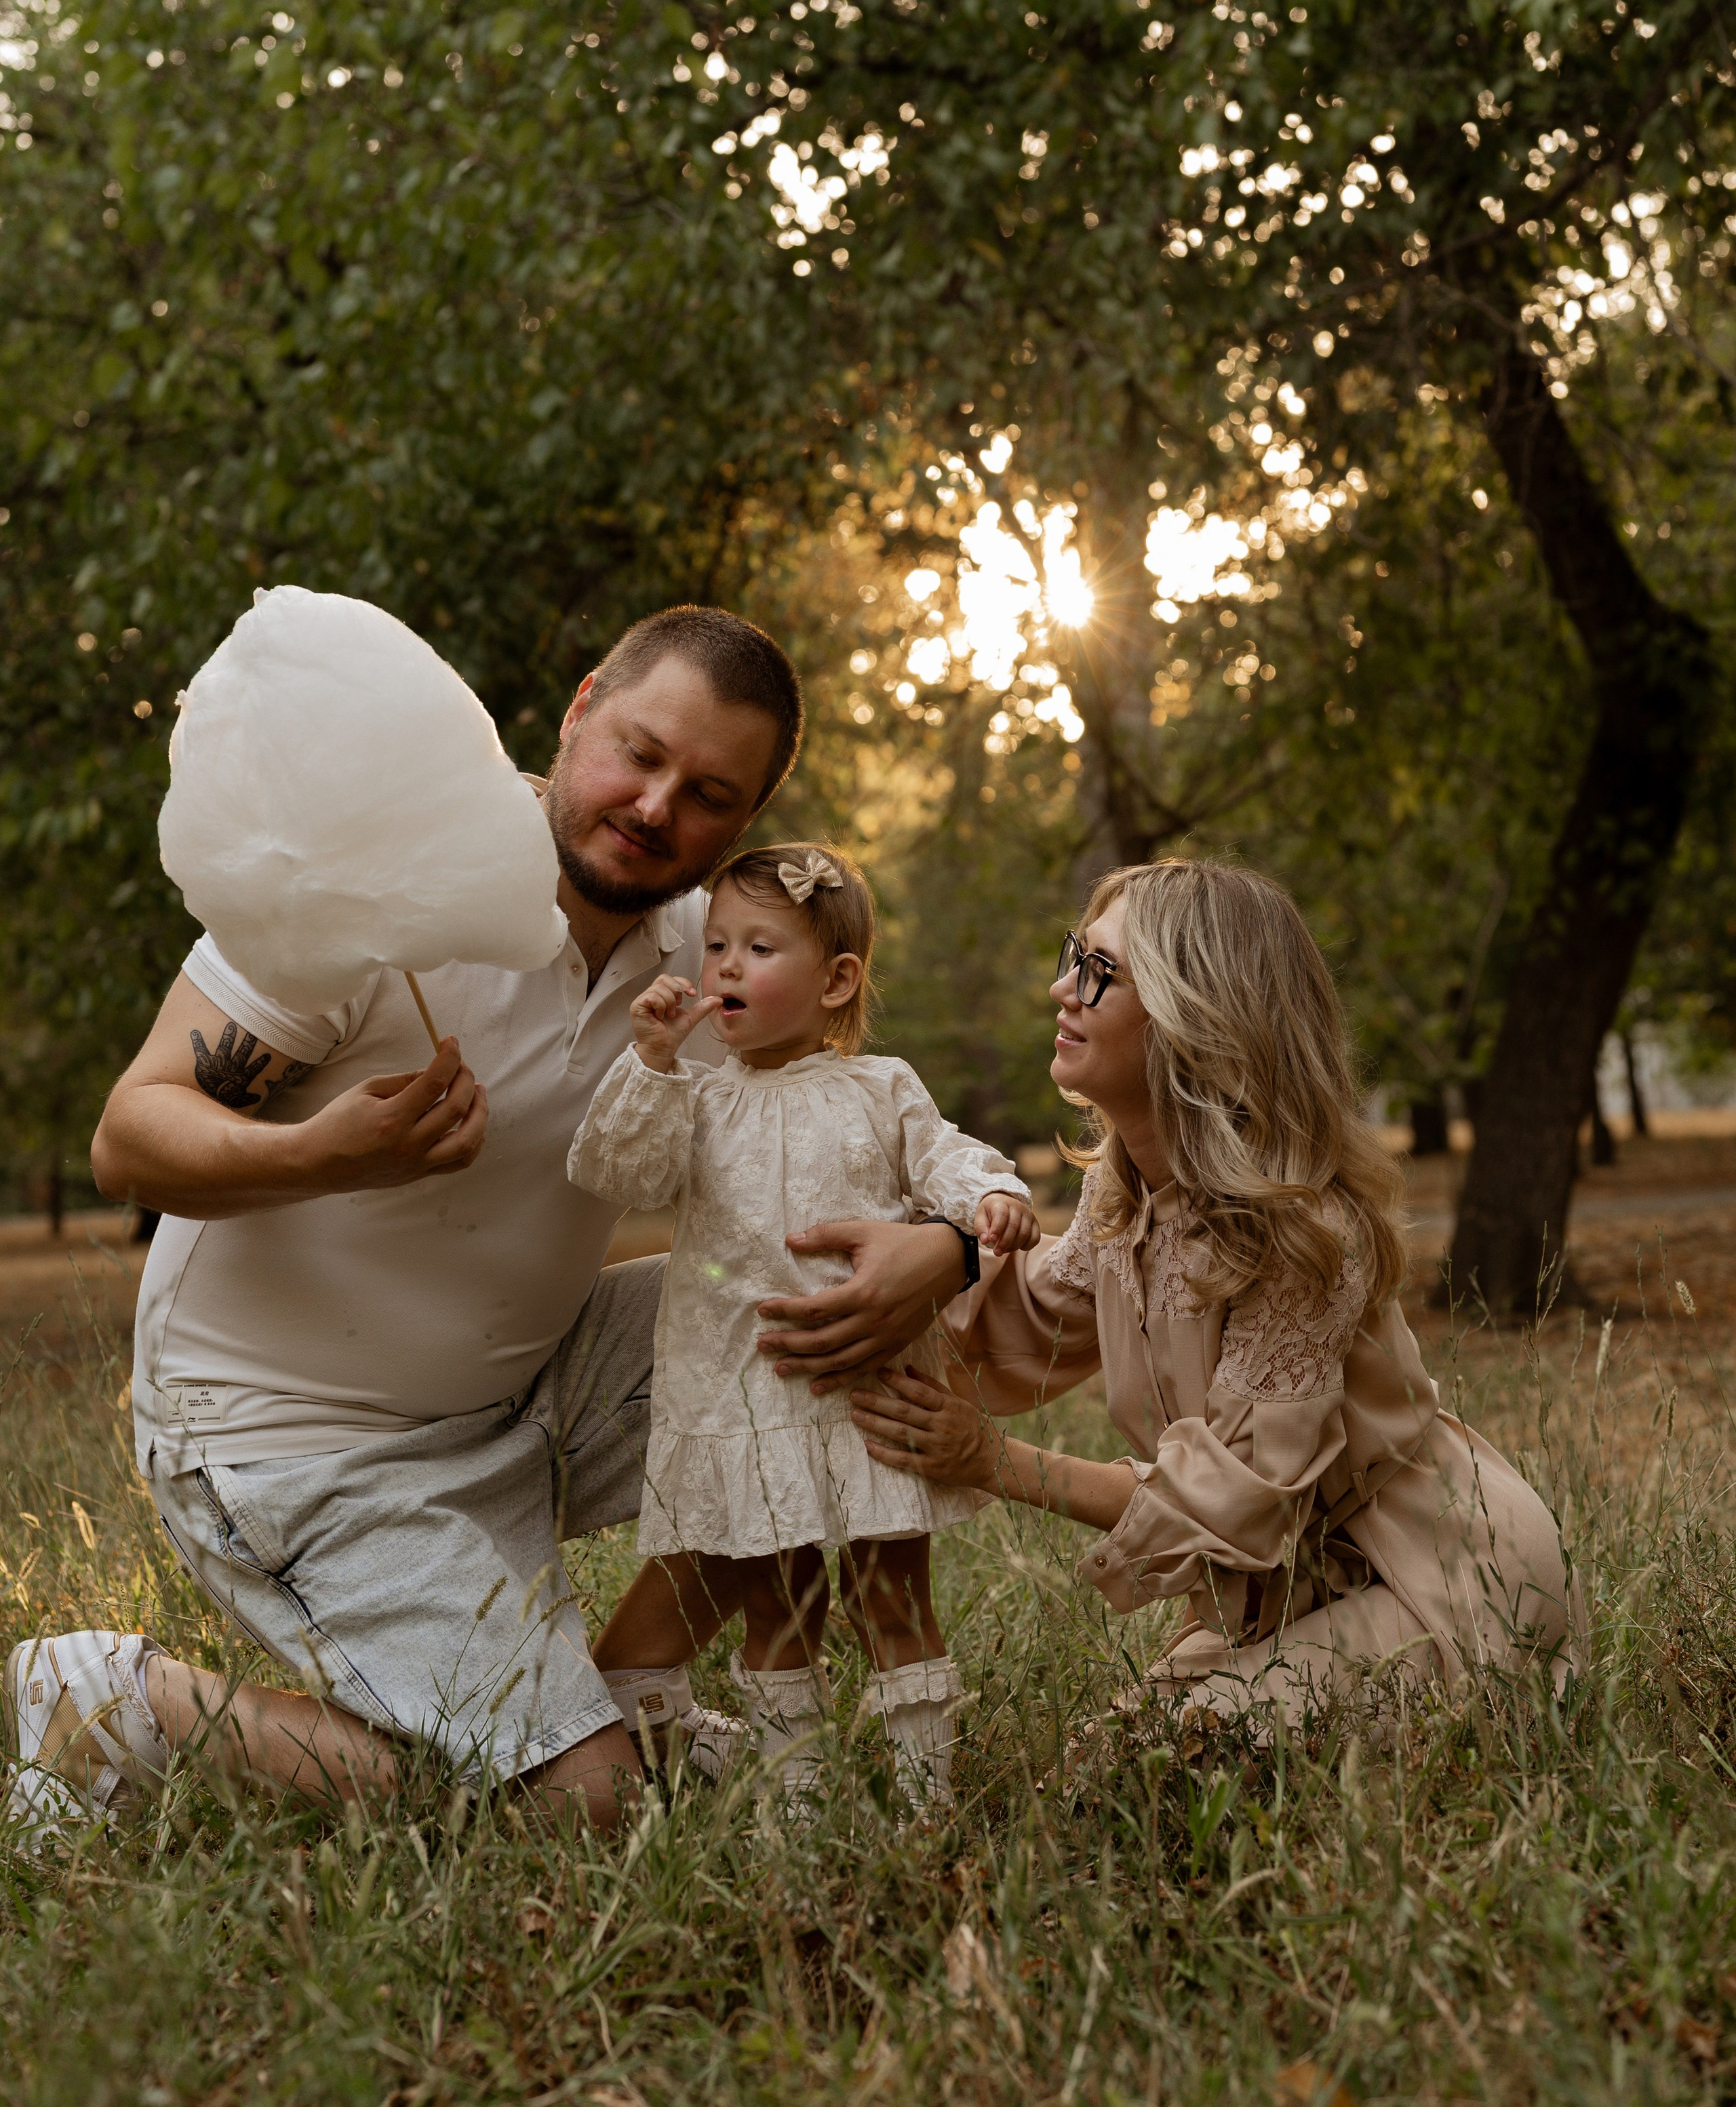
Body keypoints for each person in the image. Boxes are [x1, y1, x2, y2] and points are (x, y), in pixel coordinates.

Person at [6, 609, 984, 1841]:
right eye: (638, 752)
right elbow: (130, 1132)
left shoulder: (704, 951)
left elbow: (837, 1140)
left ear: (741, 826)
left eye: (707, 793)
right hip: (295, 1443)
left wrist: (948, 1247)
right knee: (587, 1809)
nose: (654, 805)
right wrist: (319, 1153)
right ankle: (117, 1702)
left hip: (538, 1387)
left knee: (852, 1314)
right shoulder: (380, 872)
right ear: (580, 709)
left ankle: (633, 1683)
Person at [850, 860, 1585, 1725]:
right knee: (1135, 1746)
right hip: (1288, 1593)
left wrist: (989, 1461)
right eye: (1070, 955)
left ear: (1193, 1016)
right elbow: (1023, 1320)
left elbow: (1234, 1494)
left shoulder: (1306, 1232)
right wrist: (921, 1255)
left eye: (1098, 970)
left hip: (1451, 1571)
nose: (1061, 986)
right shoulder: (1122, 1195)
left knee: (1154, 1755)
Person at [568, 844, 1038, 1807]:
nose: (726, 967)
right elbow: (620, 1174)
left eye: (759, 947)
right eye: (716, 947)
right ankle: (802, 1807)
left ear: (836, 981)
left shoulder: (881, 1088)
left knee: (892, 1597)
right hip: (748, 1395)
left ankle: (926, 1799)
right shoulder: (695, 1099)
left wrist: (990, 1199)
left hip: (871, 1397)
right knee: (780, 1608)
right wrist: (651, 1059)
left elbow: (944, 1159)